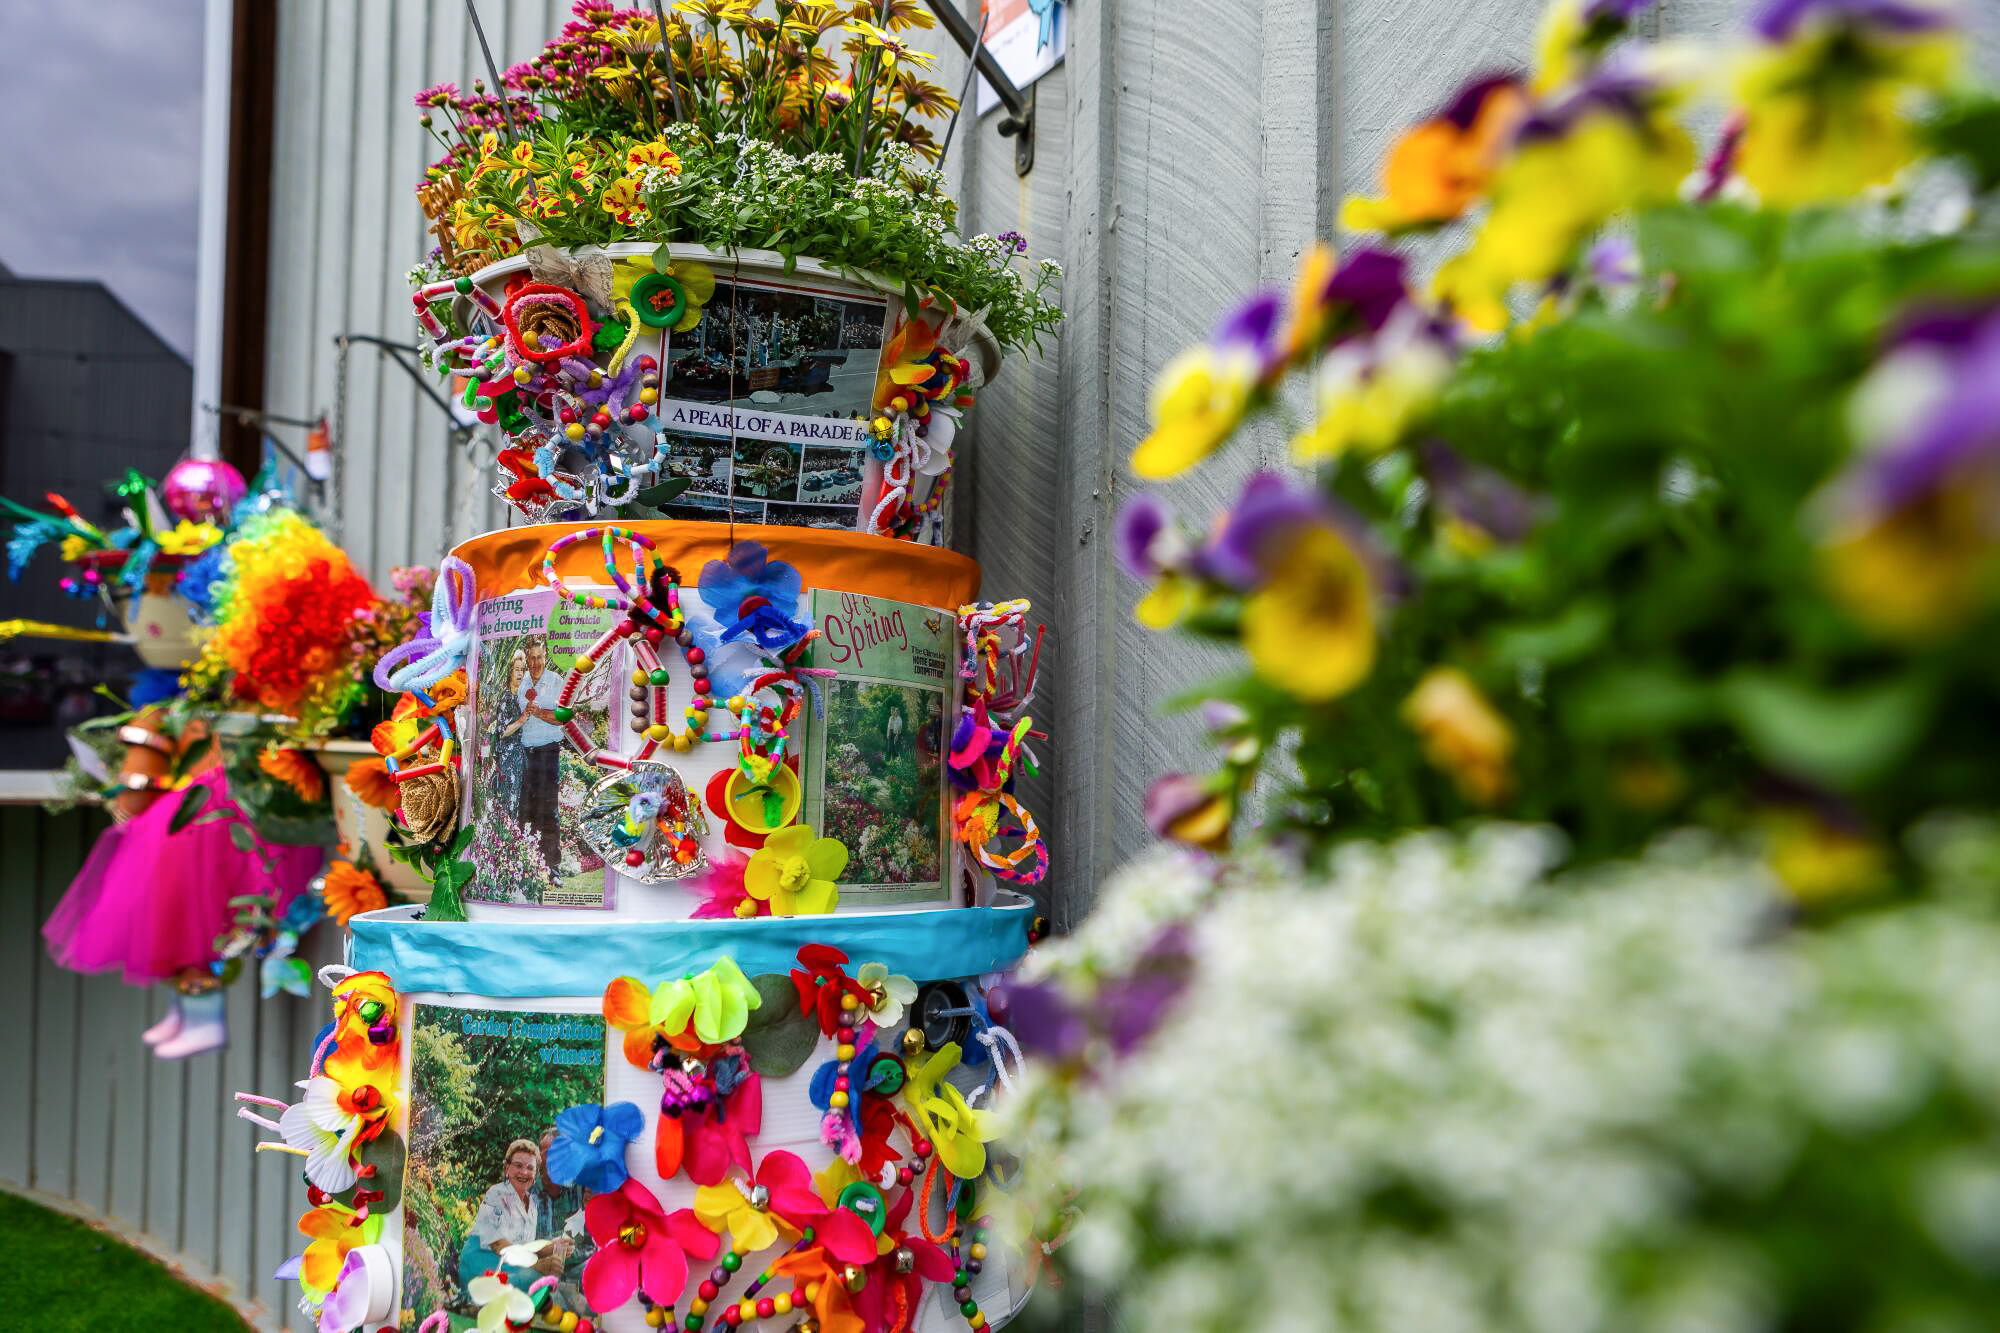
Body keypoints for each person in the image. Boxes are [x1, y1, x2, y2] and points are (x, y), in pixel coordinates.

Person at [515, 633, 565, 873]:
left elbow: (562, 718)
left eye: (539, 657)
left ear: (545, 656)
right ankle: (529, 863)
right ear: (527, 659)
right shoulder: (521, 681)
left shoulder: (556, 681)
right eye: (532, 658)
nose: (535, 662)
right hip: (526, 751)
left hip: (548, 751)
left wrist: (539, 713)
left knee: (548, 807)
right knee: (526, 807)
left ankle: (553, 865)